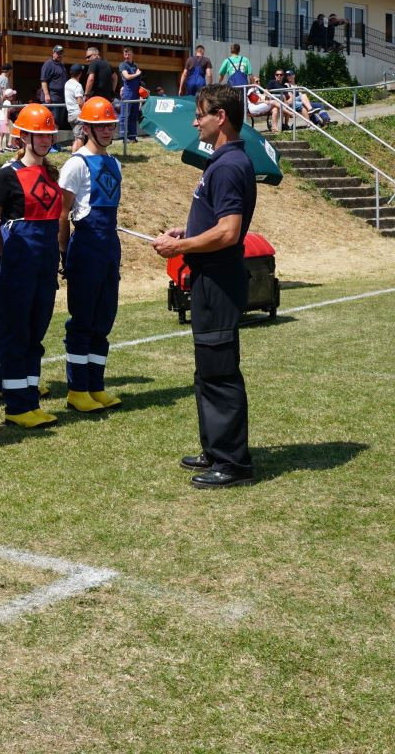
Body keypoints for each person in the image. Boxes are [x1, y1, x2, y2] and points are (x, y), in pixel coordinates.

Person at [153, 84, 258, 489]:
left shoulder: (230, 166)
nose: (195, 121)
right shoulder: (221, 162)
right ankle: (215, 449)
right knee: (208, 370)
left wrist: (180, 245)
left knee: (220, 372)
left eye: (202, 114)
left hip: (218, 280)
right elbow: (217, 222)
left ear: (222, 118)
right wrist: (189, 230)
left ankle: (233, 462)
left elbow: (230, 232)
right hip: (208, 278)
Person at [0, 104, 63, 429]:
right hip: (18, 262)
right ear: (24, 136)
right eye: (39, 134)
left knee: (37, 332)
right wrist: (7, 260)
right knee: (16, 333)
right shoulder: (6, 175)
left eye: (48, 133)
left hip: (45, 263)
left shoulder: (52, 173)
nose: (45, 140)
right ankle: (17, 406)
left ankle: (31, 399)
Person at [59, 96, 123, 413]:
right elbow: (62, 213)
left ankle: (96, 386)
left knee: (104, 318)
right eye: (101, 125)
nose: (108, 130)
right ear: (87, 127)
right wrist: (61, 251)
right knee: (82, 320)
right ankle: (77, 389)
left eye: (110, 124)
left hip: (109, 245)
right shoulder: (75, 164)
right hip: (85, 246)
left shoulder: (115, 162)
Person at [39, 45, 68, 127]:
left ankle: (55, 139)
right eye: (58, 53)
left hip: (61, 98)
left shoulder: (61, 65)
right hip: (52, 98)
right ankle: (50, 139)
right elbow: (44, 80)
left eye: (61, 53)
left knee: (59, 122)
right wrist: (47, 95)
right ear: (53, 53)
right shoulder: (48, 64)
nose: (59, 55)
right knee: (52, 121)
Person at [117, 46, 142, 143]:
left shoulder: (135, 66)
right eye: (125, 54)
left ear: (132, 54)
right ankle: (123, 137)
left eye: (129, 54)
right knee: (125, 115)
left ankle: (132, 137)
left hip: (135, 93)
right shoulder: (123, 65)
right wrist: (137, 74)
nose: (127, 56)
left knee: (133, 115)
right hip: (127, 93)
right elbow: (126, 76)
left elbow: (138, 81)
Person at [64, 64, 86, 147]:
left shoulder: (67, 83)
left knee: (76, 138)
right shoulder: (78, 85)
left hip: (70, 114)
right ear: (80, 73)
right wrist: (85, 112)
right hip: (78, 114)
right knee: (80, 138)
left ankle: (75, 154)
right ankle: (77, 156)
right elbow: (80, 102)